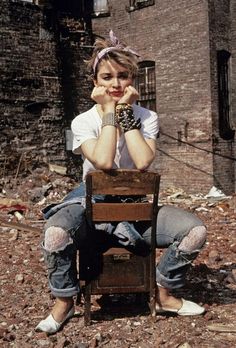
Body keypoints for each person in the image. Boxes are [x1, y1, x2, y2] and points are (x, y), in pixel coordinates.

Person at [36, 30, 207, 334]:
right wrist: (107, 115)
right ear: (95, 83)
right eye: (107, 77)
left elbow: (141, 162)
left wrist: (125, 114)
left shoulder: (146, 117)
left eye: (123, 76)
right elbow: (102, 162)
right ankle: (64, 301)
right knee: (56, 234)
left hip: (137, 204)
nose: (115, 84)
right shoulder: (83, 120)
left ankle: (164, 294)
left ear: (132, 80)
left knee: (194, 231)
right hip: (90, 202)